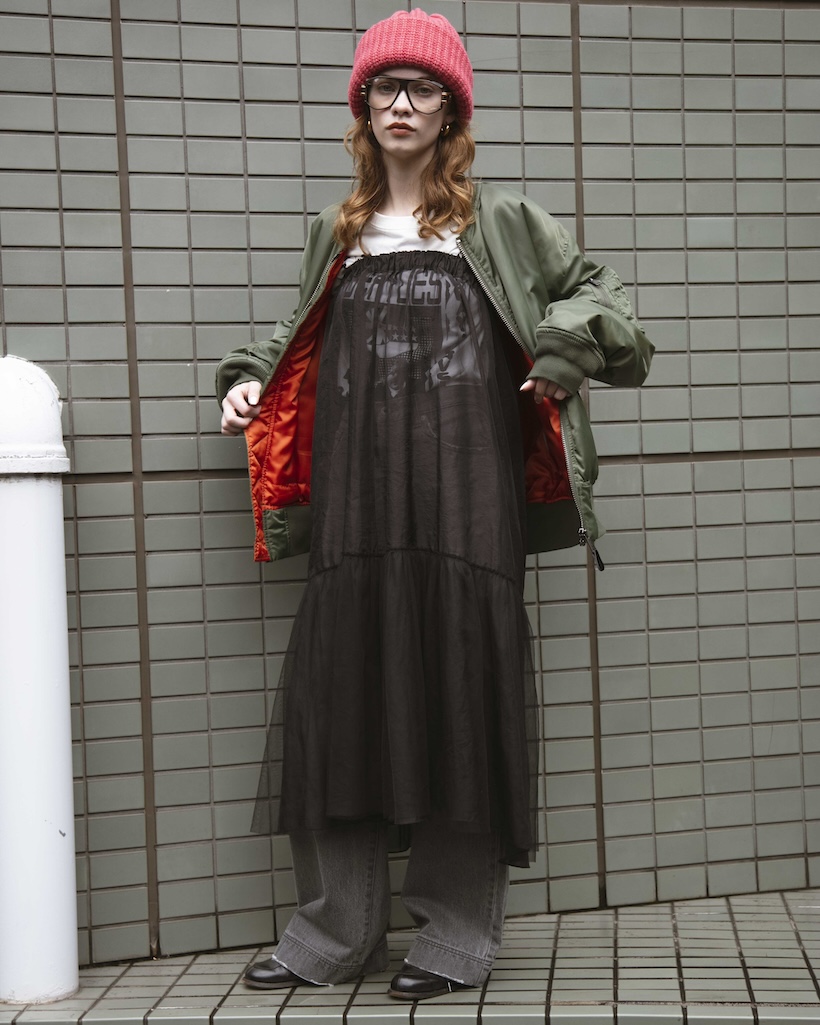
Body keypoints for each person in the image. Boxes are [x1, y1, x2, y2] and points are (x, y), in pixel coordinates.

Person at [216, 8, 653, 1002]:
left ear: (452, 111)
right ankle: (337, 930)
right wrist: (243, 377)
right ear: (362, 108)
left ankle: (454, 935)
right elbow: (290, 335)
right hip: (356, 510)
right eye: (385, 88)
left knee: (462, 692)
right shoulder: (337, 233)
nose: (401, 104)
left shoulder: (502, 223)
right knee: (342, 704)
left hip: (468, 506)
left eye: (423, 89)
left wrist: (562, 348)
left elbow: (608, 307)